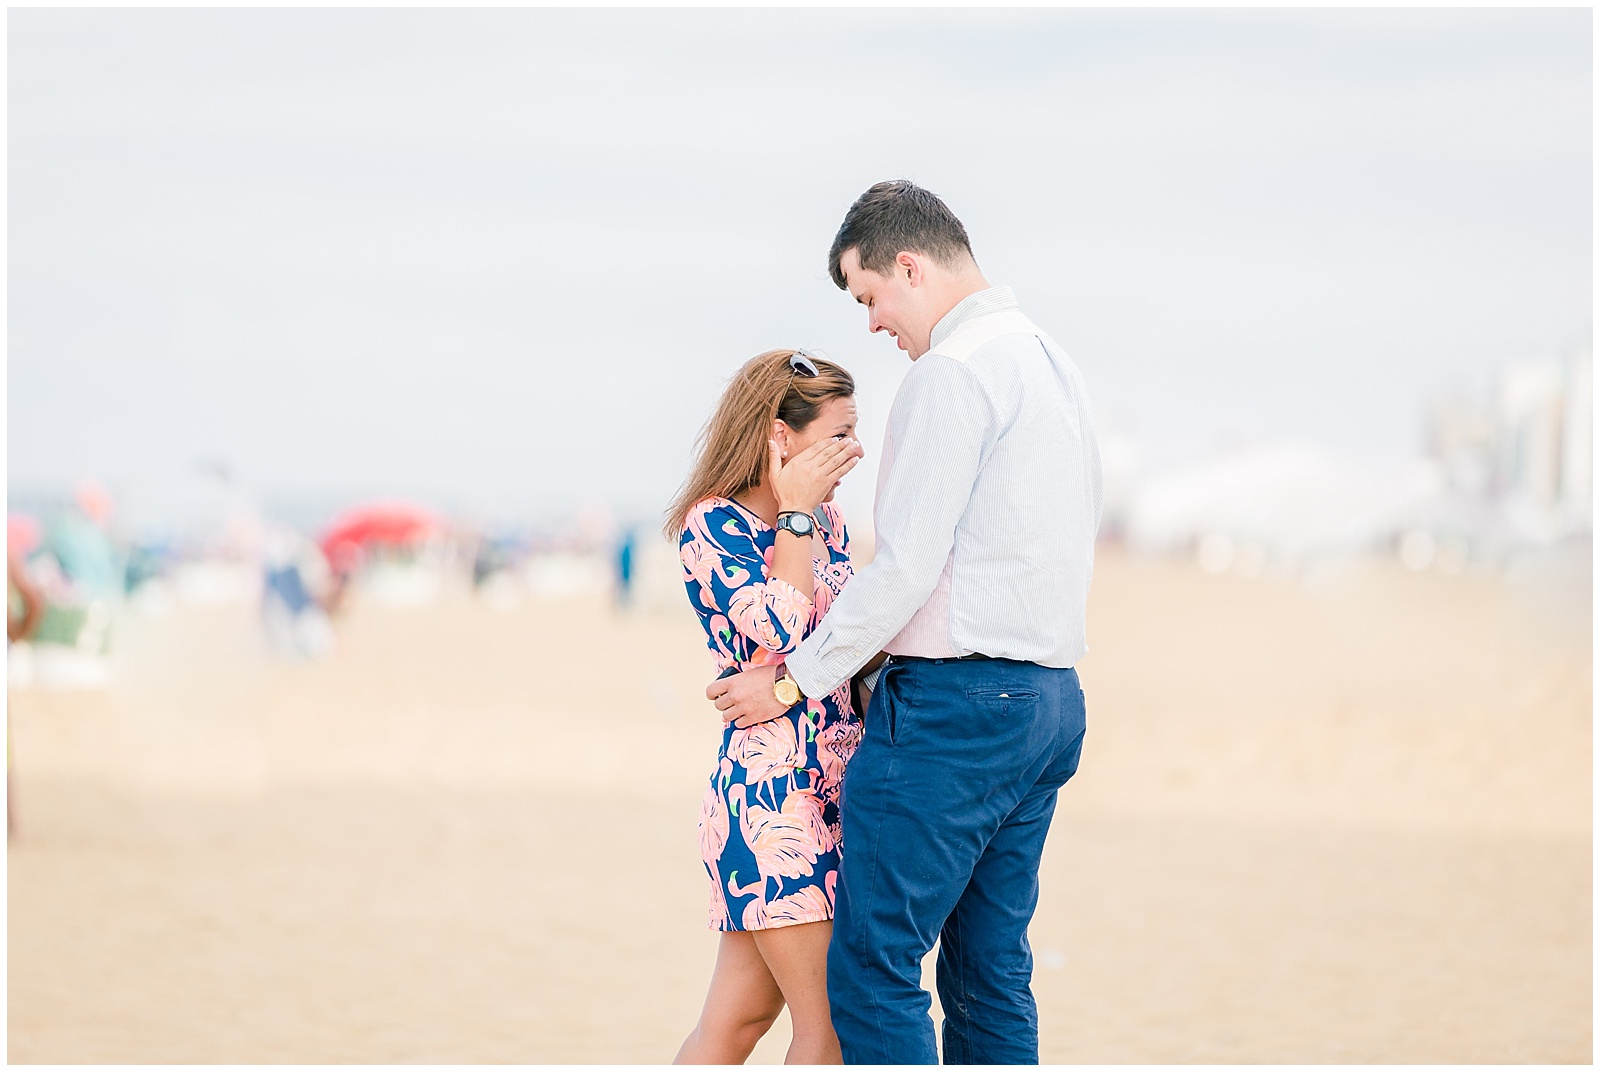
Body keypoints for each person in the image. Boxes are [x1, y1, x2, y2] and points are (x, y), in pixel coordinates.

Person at [708, 180, 1102, 1064]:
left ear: (910, 266)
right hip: (1049, 700)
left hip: (958, 712)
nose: (875, 324)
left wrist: (789, 681)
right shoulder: (1049, 360)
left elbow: (907, 568)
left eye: (870, 295)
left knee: (873, 968)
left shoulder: (952, 375)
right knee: (989, 971)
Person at [666, 348, 867, 1065]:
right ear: (781, 436)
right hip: (772, 803)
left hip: (837, 789)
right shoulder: (711, 526)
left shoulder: (833, 524)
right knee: (828, 1029)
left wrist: (811, 517)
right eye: (839, 433)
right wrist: (797, 515)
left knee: (739, 1022)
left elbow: (855, 638)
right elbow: (780, 626)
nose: (856, 449)